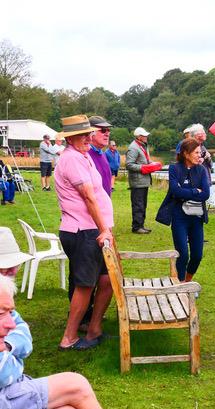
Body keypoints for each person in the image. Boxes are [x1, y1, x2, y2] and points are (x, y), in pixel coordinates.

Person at [0, 231, 110, 409]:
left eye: (13, 265)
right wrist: (13, 359)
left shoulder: (5, 297)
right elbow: (4, 374)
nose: (12, 271)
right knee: (76, 385)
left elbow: (24, 334)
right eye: (5, 266)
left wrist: (8, 346)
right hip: (5, 395)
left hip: (15, 386)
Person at [53, 115, 115, 351]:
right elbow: (89, 197)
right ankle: (68, 338)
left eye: (89, 133)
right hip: (83, 231)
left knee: (107, 280)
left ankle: (94, 329)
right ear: (70, 139)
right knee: (85, 285)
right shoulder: (72, 159)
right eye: (83, 134)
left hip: (93, 230)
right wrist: (104, 229)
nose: (88, 137)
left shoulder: (84, 155)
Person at [167, 138, 210, 282]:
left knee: (197, 255)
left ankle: (188, 280)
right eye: (197, 152)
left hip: (196, 218)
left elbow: (206, 194)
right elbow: (175, 192)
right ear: (186, 154)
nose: (200, 155)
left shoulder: (202, 170)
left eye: (201, 152)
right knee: (183, 254)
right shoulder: (174, 169)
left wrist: (185, 192)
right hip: (179, 217)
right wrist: (195, 191)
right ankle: (179, 283)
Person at [126, 127, 162, 234]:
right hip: (137, 182)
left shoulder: (142, 146)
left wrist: (152, 164)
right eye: (145, 135)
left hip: (143, 181)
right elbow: (129, 164)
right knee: (138, 205)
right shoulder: (133, 148)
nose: (147, 137)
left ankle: (140, 225)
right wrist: (143, 168)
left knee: (142, 204)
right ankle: (137, 227)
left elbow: (145, 160)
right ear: (139, 137)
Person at [88, 116, 113, 196]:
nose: (107, 134)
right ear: (91, 132)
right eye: (103, 130)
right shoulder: (84, 156)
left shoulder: (102, 154)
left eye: (108, 130)